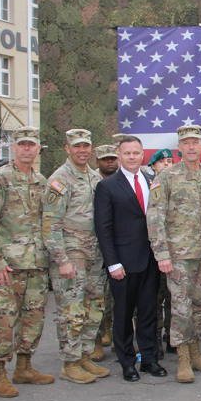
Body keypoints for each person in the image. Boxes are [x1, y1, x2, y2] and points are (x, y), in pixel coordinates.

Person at [0, 126, 55, 398]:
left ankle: (24, 367)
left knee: (33, 318)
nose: (26, 149)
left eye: (31, 145)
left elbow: (48, 222)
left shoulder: (42, 181)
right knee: (4, 320)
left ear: (37, 149)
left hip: (35, 263)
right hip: (7, 267)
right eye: (21, 144)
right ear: (14, 148)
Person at [147, 125, 201, 383]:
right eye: (186, 143)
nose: (191, 147)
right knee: (180, 307)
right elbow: (154, 215)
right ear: (179, 147)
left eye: (195, 142)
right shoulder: (166, 177)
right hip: (178, 255)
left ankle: (196, 351)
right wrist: (161, 253)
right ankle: (182, 358)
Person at [94, 135, 168, 382]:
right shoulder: (107, 186)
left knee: (148, 312)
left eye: (136, 153)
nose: (132, 157)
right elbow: (103, 228)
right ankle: (127, 362)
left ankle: (149, 360)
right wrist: (112, 262)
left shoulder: (152, 180)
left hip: (150, 259)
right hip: (123, 263)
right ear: (119, 155)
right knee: (124, 315)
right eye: (127, 153)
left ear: (142, 154)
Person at [42, 129, 109, 384]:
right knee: (71, 310)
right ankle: (69, 363)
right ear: (67, 148)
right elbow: (50, 224)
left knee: (94, 308)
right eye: (77, 146)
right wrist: (62, 260)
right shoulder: (60, 180)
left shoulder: (93, 177)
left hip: (93, 254)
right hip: (71, 254)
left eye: (86, 146)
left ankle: (84, 356)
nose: (82, 150)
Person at [145, 148, 178, 357]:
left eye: (170, 161)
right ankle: (154, 341)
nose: (167, 165)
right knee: (154, 299)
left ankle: (172, 338)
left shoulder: (175, 184)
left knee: (173, 298)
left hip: (173, 252)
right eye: (162, 162)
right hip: (150, 252)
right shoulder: (147, 184)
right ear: (152, 166)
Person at [92, 144, 119, 363]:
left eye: (112, 158)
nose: (109, 162)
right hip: (91, 250)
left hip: (118, 249)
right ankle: (97, 340)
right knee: (97, 298)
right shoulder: (91, 181)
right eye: (104, 159)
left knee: (117, 298)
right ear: (97, 161)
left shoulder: (123, 180)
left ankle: (119, 336)